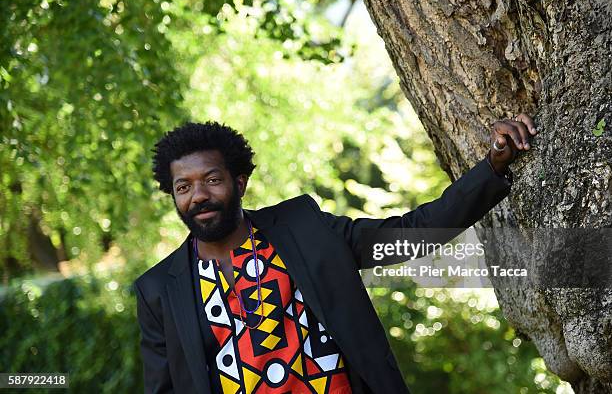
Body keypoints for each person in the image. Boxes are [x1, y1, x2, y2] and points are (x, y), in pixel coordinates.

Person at [133, 115, 537, 394]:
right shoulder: (158, 290)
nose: (198, 195)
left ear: (239, 183)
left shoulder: (303, 229)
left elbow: (410, 234)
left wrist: (492, 167)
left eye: (212, 180)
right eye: (183, 187)